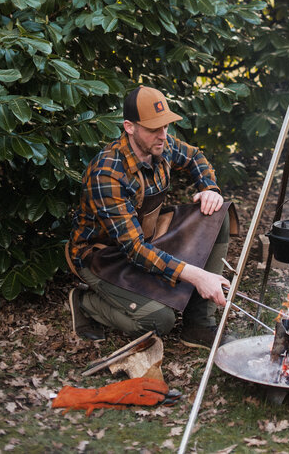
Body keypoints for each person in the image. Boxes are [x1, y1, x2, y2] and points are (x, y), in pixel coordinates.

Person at [66, 85, 237, 349]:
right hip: (103, 257)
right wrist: (197, 276)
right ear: (129, 127)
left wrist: (208, 188)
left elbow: (194, 157)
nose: (162, 135)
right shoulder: (107, 172)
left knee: (217, 211)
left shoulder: (161, 144)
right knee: (160, 320)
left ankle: (198, 325)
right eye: (153, 128)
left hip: (147, 237)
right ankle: (86, 303)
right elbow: (133, 250)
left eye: (165, 126)